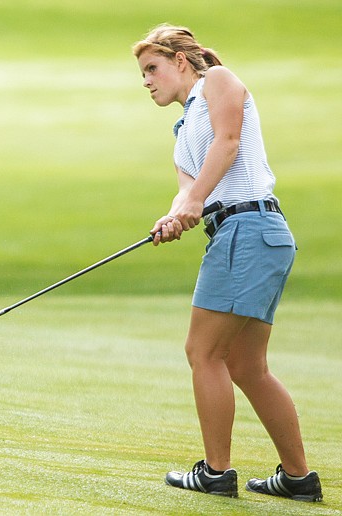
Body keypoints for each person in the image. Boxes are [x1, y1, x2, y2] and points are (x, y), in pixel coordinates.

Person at [132, 24, 323, 502]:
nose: (147, 81)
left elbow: (230, 141)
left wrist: (195, 200)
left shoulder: (216, 80)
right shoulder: (181, 133)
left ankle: (216, 472)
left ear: (180, 60)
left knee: (203, 353)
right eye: (142, 74)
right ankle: (298, 479)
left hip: (248, 230)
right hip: (247, 236)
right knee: (246, 365)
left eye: (152, 68)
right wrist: (176, 214)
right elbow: (186, 190)